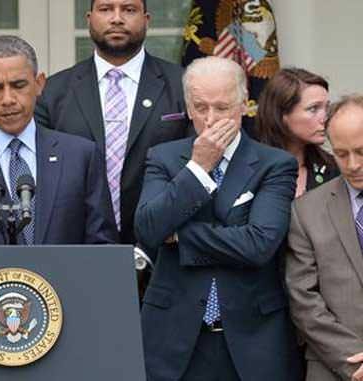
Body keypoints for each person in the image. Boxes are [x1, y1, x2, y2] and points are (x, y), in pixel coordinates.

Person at [135, 56, 301, 381]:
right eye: (201, 107)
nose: (210, 120)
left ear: (243, 106)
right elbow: (149, 230)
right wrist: (198, 168)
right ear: (188, 108)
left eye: (222, 108)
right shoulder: (164, 157)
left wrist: (182, 235)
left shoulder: (274, 164)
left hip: (252, 338)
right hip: (174, 338)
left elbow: (259, 244)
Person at [0, 35, 117, 245]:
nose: (8, 99)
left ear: (39, 84)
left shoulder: (80, 157)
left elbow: (103, 249)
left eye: (18, 85)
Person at [35, 0, 189, 245]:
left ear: (146, 19)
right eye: (106, 9)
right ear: (89, 18)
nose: (117, 18)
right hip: (77, 249)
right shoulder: (54, 91)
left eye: (129, 10)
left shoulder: (184, 85)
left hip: (164, 248)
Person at [285, 94, 363, 381]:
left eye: (361, 151)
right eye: (341, 154)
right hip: (335, 368)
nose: (352, 164)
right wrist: (351, 360)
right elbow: (303, 299)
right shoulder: (306, 211)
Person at [257, 67, 339, 197]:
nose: (325, 118)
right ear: (281, 114)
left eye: (326, 107)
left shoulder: (334, 168)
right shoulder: (251, 170)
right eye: (313, 109)